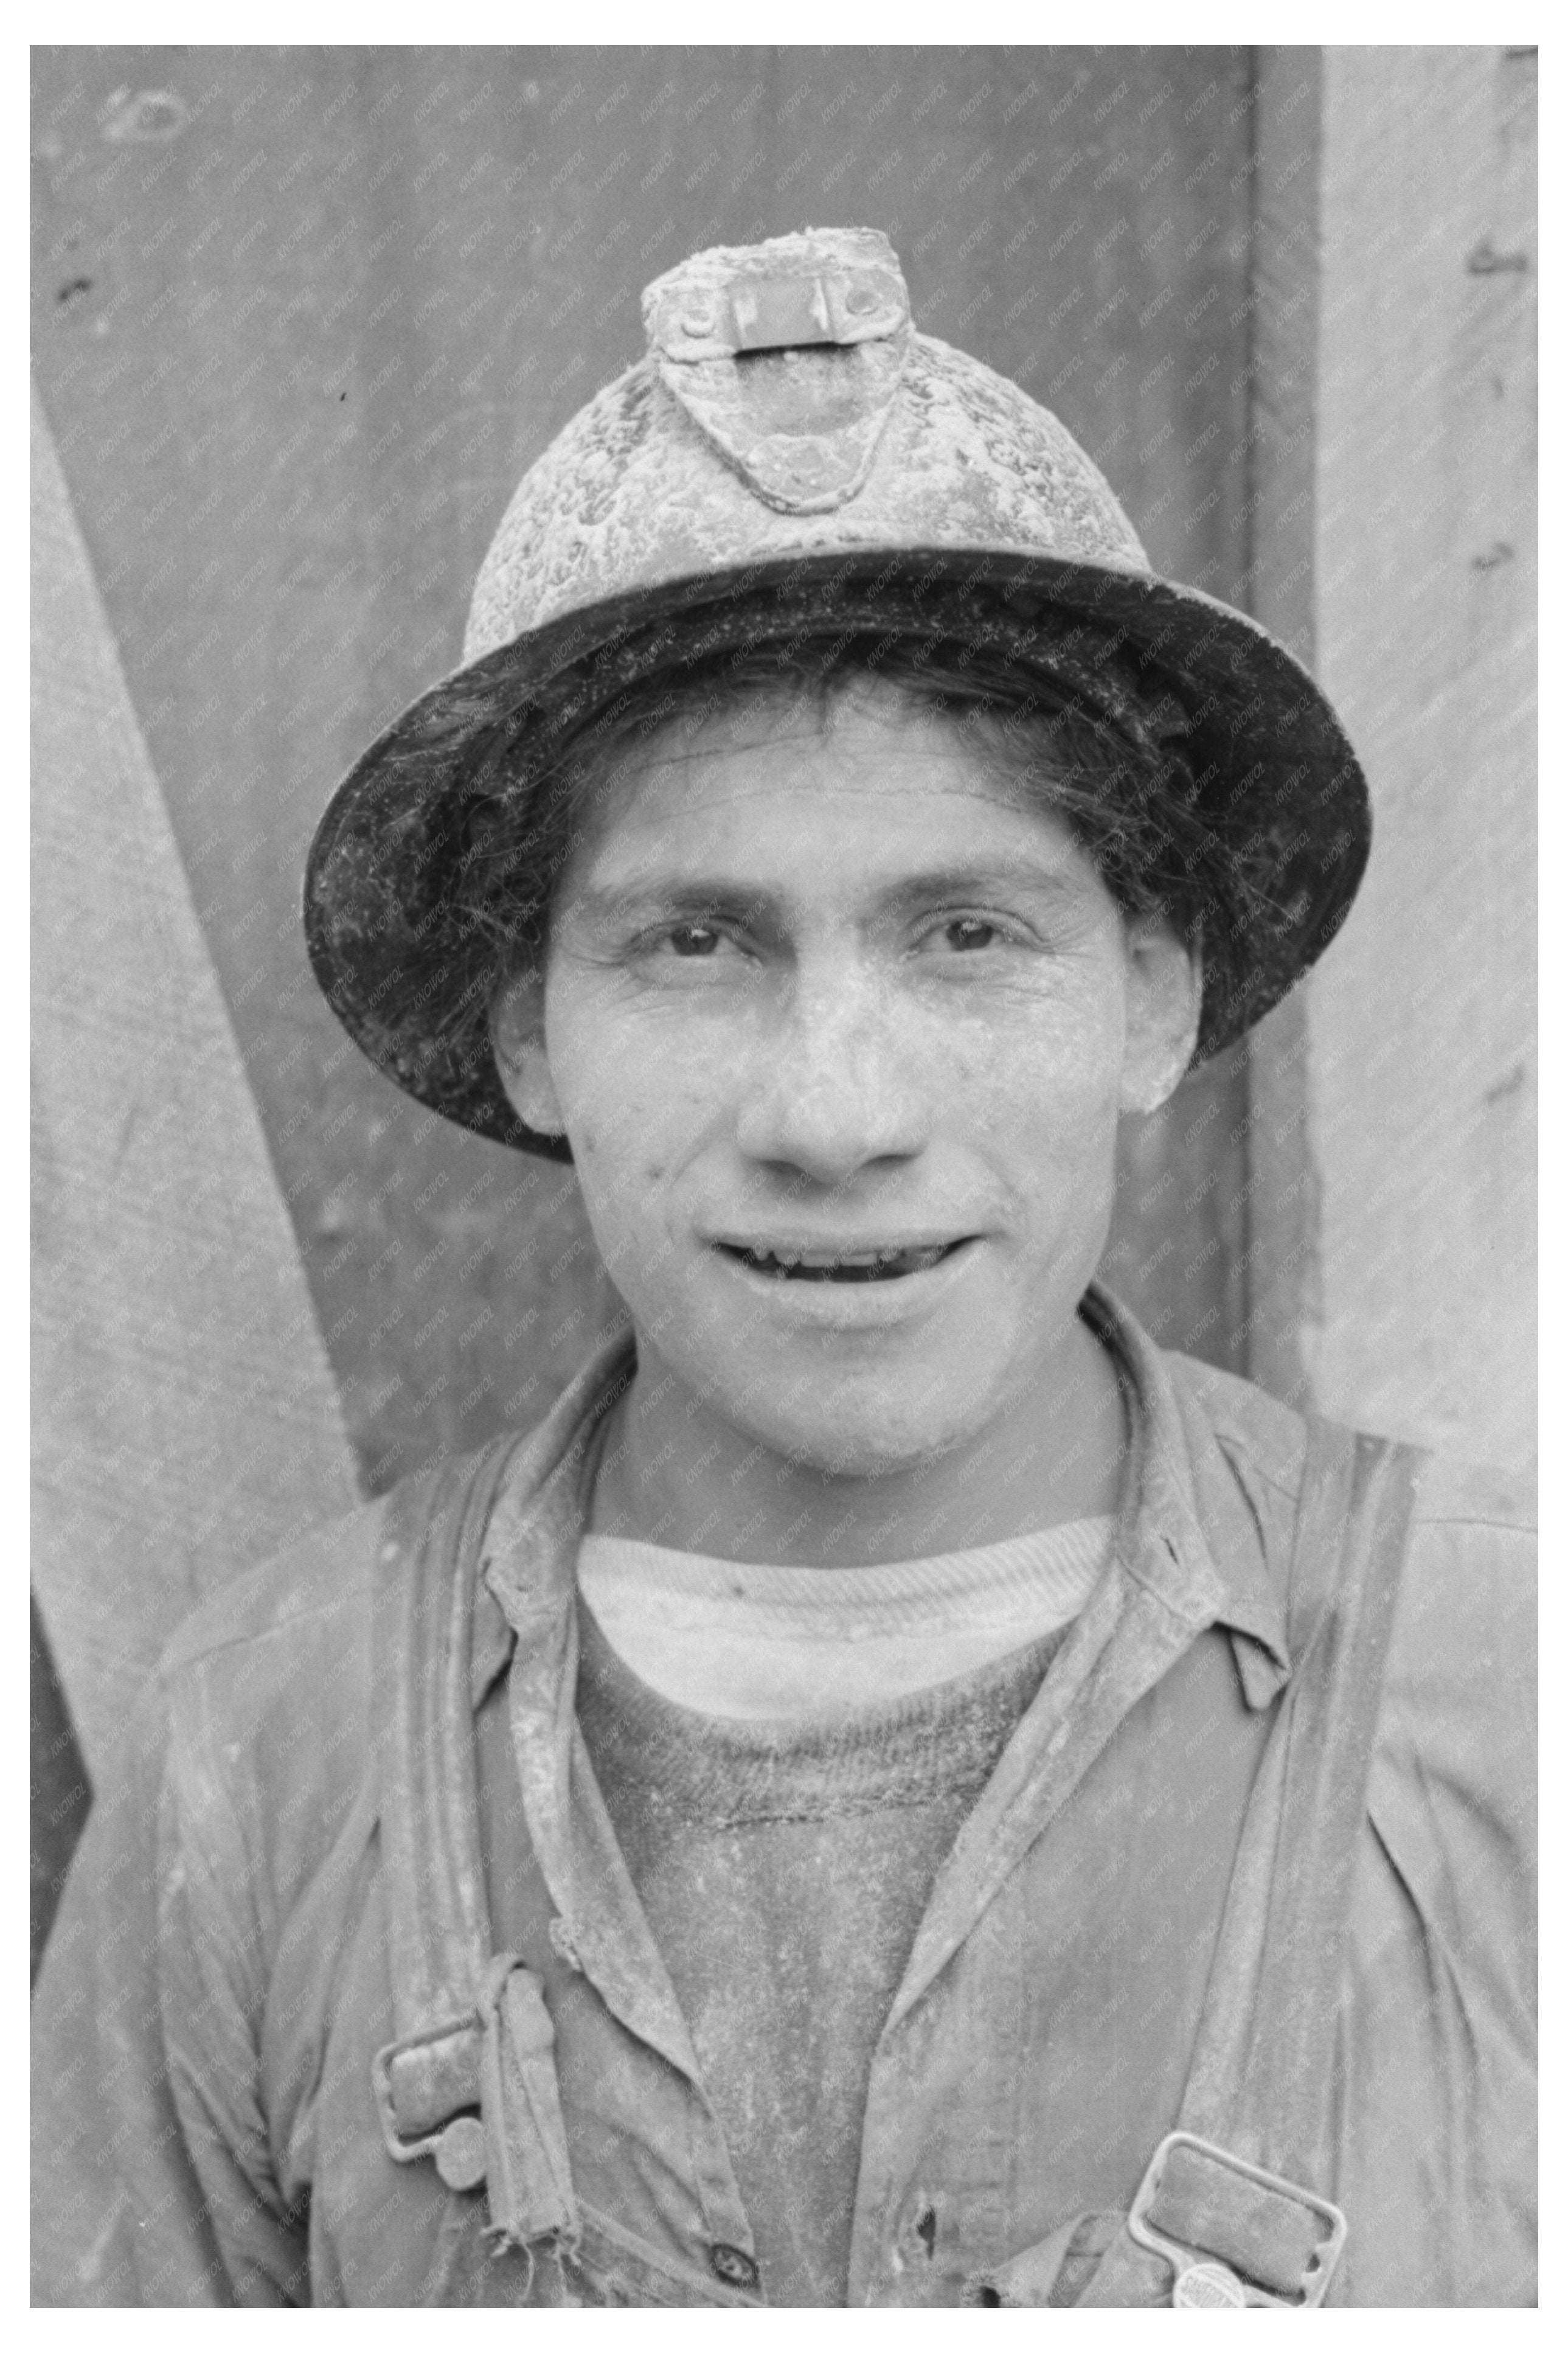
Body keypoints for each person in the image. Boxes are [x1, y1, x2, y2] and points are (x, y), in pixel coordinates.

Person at [30, 227, 1535, 2308]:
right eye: (695, 940)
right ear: (531, 1031)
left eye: (966, 933)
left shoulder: (1501, 1699)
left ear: (1151, 1002)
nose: (836, 1111)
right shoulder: (258, 1761)